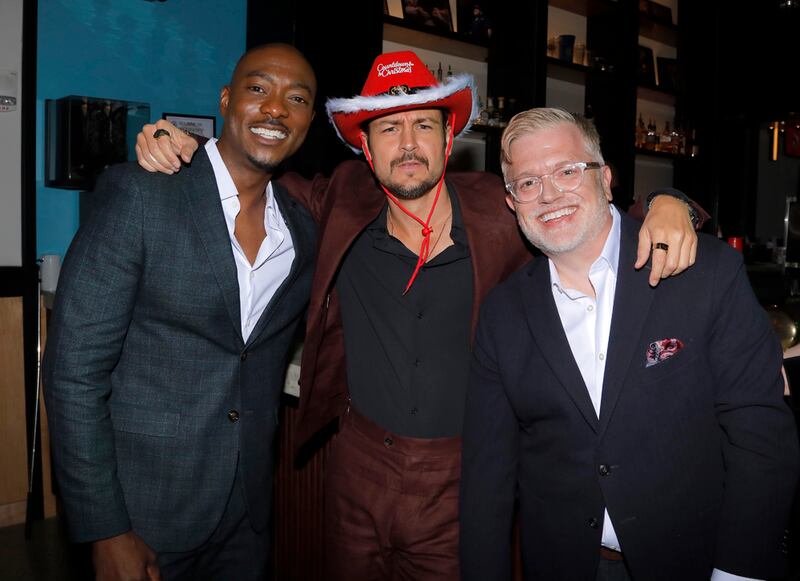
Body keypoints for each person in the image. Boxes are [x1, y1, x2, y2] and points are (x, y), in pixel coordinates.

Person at [135, 51, 699, 580]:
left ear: (449, 136)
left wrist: (669, 203)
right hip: (356, 469)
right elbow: (252, 173)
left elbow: (595, 216)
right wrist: (184, 145)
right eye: (388, 128)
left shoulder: (504, 212)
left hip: (462, 479)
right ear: (365, 146)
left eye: (423, 125)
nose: (407, 144)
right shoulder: (341, 200)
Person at [459, 107, 800, 580]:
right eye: (529, 182)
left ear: (605, 179)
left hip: (695, 562)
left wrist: (737, 572)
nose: (549, 194)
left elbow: (760, 434)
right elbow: (486, 479)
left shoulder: (706, 272)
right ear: (513, 202)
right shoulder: (502, 315)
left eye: (567, 171)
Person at [43, 44, 318, 581]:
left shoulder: (302, 230)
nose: (276, 109)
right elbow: (73, 372)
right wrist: (105, 528)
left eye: (297, 98)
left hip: (247, 515)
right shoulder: (142, 193)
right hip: (143, 512)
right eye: (258, 89)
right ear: (226, 99)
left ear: (309, 120)